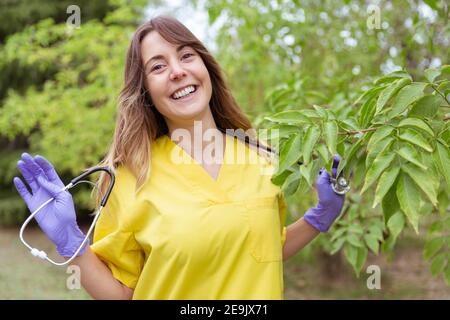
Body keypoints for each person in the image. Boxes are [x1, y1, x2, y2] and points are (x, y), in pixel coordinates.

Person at [13, 15, 345, 300]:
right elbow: (121, 293)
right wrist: (73, 243)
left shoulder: (264, 161)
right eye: (158, 66)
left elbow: (265, 251)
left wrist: (320, 217)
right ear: (145, 91)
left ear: (206, 68)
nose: (177, 71)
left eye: (186, 56)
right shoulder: (131, 178)